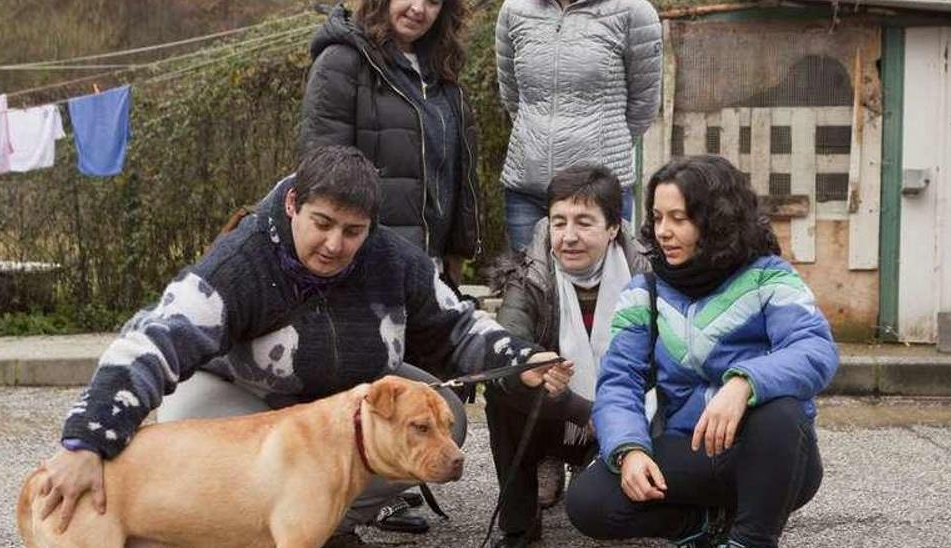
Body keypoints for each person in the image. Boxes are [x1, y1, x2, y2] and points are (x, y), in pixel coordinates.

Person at [32, 146, 573, 548]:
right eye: (322, 224)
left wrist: (519, 357)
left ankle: (317, 524)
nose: (335, 244)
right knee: (189, 437)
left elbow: (457, 325)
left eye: (353, 231)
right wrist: (87, 442)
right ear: (293, 204)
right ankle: (224, 526)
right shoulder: (240, 263)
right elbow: (150, 342)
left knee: (443, 412)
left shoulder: (393, 260)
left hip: (338, 410)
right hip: (239, 394)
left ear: (371, 227)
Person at [565, 155, 838, 548]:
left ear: (717, 219)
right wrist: (628, 451)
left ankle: (750, 540)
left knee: (783, 410)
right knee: (589, 502)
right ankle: (699, 526)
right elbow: (618, 385)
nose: (664, 232)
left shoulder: (770, 276)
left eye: (679, 218)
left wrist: (745, 383)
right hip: (690, 449)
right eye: (658, 218)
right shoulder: (645, 292)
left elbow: (814, 349)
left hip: (769, 453)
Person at [484, 165, 650, 548]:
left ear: (613, 228)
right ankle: (519, 526)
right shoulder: (530, 274)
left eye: (584, 223)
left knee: (603, 513)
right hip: (557, 411)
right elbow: (504, 347)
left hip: (627, 415)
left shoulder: (647, 274)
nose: (568, 237)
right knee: (504, 389)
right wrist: (534, 364)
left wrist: (613, 412)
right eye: (559, 223)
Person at [301, 0, 480, 286]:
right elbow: (324, 178)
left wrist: (455, 252)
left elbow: (457, 174)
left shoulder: (442, 74)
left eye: (433, 2)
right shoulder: (341, 62)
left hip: (432, 271)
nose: (419, 9)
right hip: (366, 270)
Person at [495, 0, 662, 251]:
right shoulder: (514, 9)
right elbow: (512, 96)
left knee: (605, 287)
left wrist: (603, 143)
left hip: (599, 192)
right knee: (527, 283)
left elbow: (644, 102)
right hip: (527, 188)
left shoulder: (633, 10)